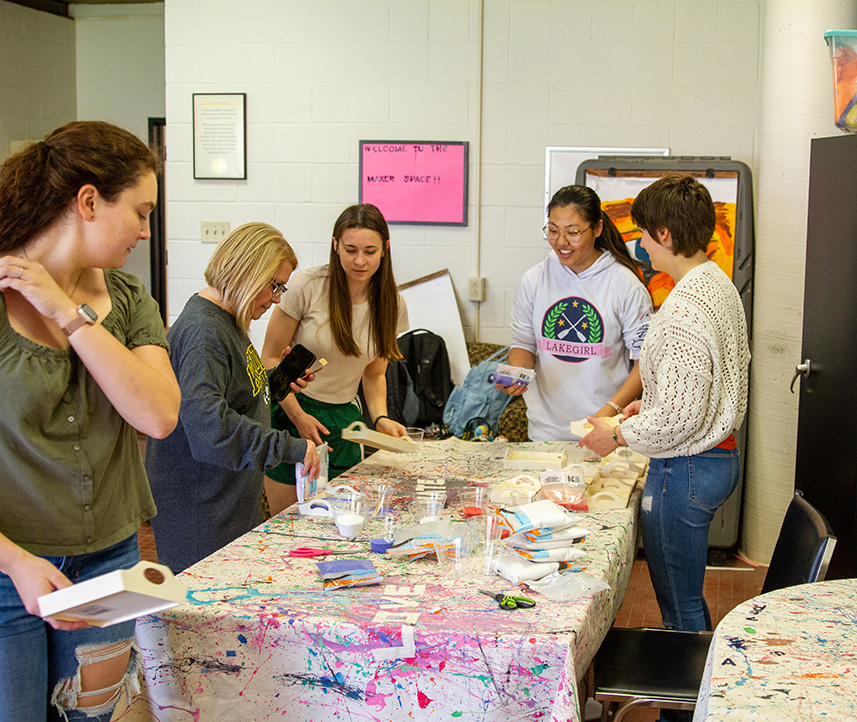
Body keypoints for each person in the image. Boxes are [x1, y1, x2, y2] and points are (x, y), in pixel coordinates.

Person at [0, 121, 181, 722]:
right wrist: (16, 563)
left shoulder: (128, 300)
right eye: (141, 211)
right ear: (87, 202)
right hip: (9, 569)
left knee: (91, 715)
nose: (146, 230)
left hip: (108, 562)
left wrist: (68, 313)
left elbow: (157, 414)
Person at [580, 174, 750, 638]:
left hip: (689, 466)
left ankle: (686, 708)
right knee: (684, 598)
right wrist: (647, 405)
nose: (639, 244)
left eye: (642, 234)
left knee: (680, 606)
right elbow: (692, 391)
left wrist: (615, 435)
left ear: (665, 235)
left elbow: (679, 418)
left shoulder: (684, 309)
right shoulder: (716, 283)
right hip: (713, 455)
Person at [145, 222, 320, 574]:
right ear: (248, 271)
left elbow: (234, 393)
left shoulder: (228, 322)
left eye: (281, 288)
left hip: (226, 498)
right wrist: (291, 448)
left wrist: (277, 381)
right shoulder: (204, 331)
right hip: (200, 505)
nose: (276, 298)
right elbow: (212, 427)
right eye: (274, 286)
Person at [261, 203, 409, 515]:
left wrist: (380, 418)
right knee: (285, 526)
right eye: (350, 249)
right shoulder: (307, 286)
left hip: (344, 419)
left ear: (385, 249)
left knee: (342, 522)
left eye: (370, 251)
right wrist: (298, 416)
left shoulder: (392, 304)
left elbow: (374, 374)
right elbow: (270, 359)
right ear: (335, 246)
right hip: (291, 412)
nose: (359, 260)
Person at [500, 185, 652, 441]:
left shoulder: (624, 284)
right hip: (545, 433)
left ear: (598, 229)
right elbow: (524, 345)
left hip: (605, 431)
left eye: (573, 233)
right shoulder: (535, 279)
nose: (561, 242)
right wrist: (516, 375)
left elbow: (644, 365)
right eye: (553, 231)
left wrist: (608, 413)